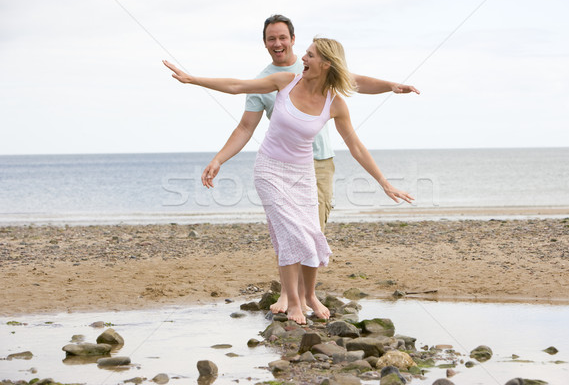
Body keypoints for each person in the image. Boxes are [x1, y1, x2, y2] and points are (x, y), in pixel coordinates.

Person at [163, 36, 415, 324]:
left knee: (310, 232)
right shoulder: (285, 81)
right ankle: (294, 302)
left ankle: (309, 295)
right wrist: (193, 79)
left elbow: (356, 145)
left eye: (309, 55)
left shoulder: (335, 103)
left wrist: (384, 182)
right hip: (270, 169)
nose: (302, 59)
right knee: (289, 233)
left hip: (302, 173)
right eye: (305, 54)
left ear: (326, 64)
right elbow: (237, 86)